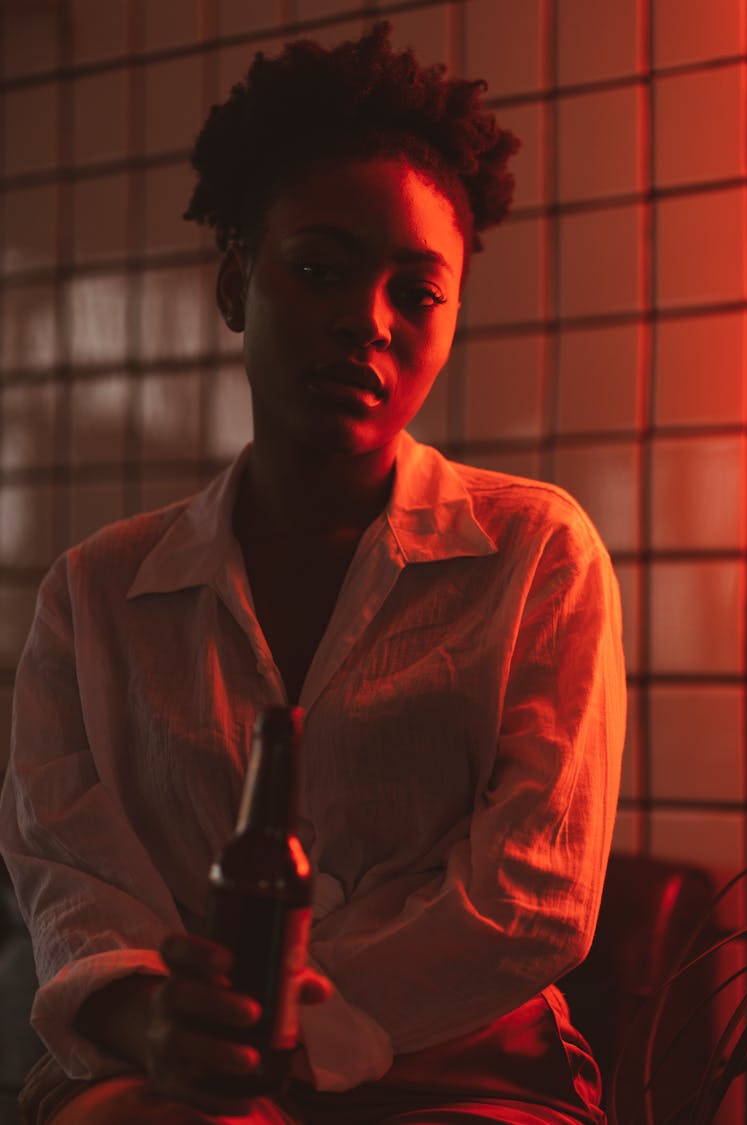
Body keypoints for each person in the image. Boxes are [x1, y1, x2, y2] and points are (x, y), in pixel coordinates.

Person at [0, 21, 626, 1125]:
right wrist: (152, 1016)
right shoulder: (95, 594)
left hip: (461, 1065)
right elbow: (66, 874)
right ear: (237, 282)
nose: (365, 325)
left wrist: (293, 1030)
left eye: (417, 294)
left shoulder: (537, 555)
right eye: (319, 270)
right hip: (163, 1063)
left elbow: (536, 893)